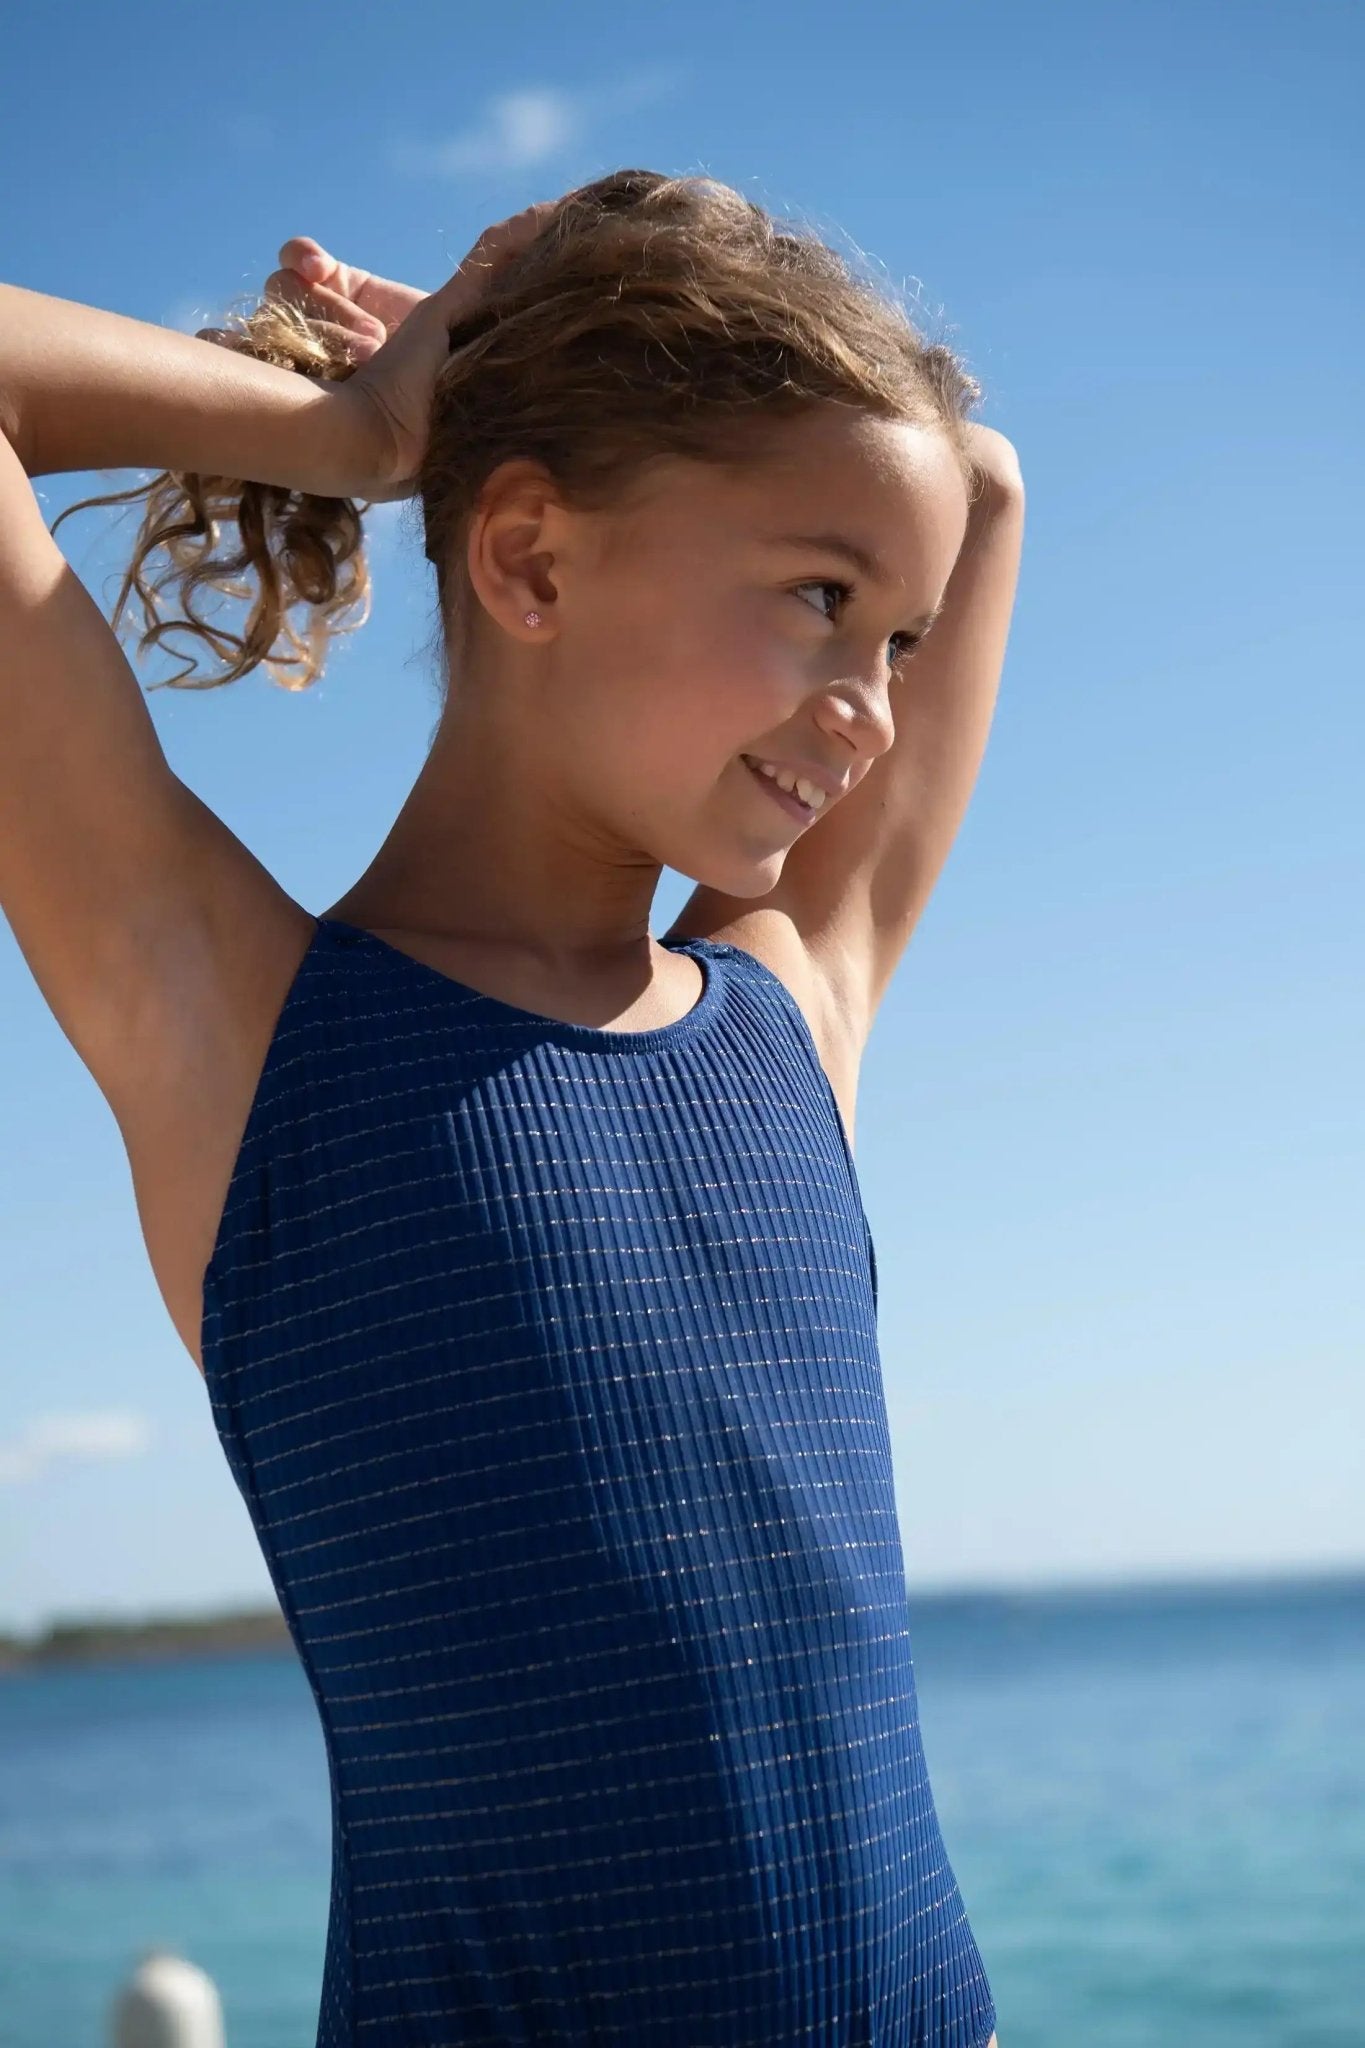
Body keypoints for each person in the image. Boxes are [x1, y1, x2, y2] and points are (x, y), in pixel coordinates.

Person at [0, 169, 1023, 2046]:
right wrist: (359, 429)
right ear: (531, 562)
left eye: (898, 638)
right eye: (818, 599)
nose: (876, 701)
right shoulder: (247, 1036)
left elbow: (988, 476)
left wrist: (621, 291)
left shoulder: (790, 1005)